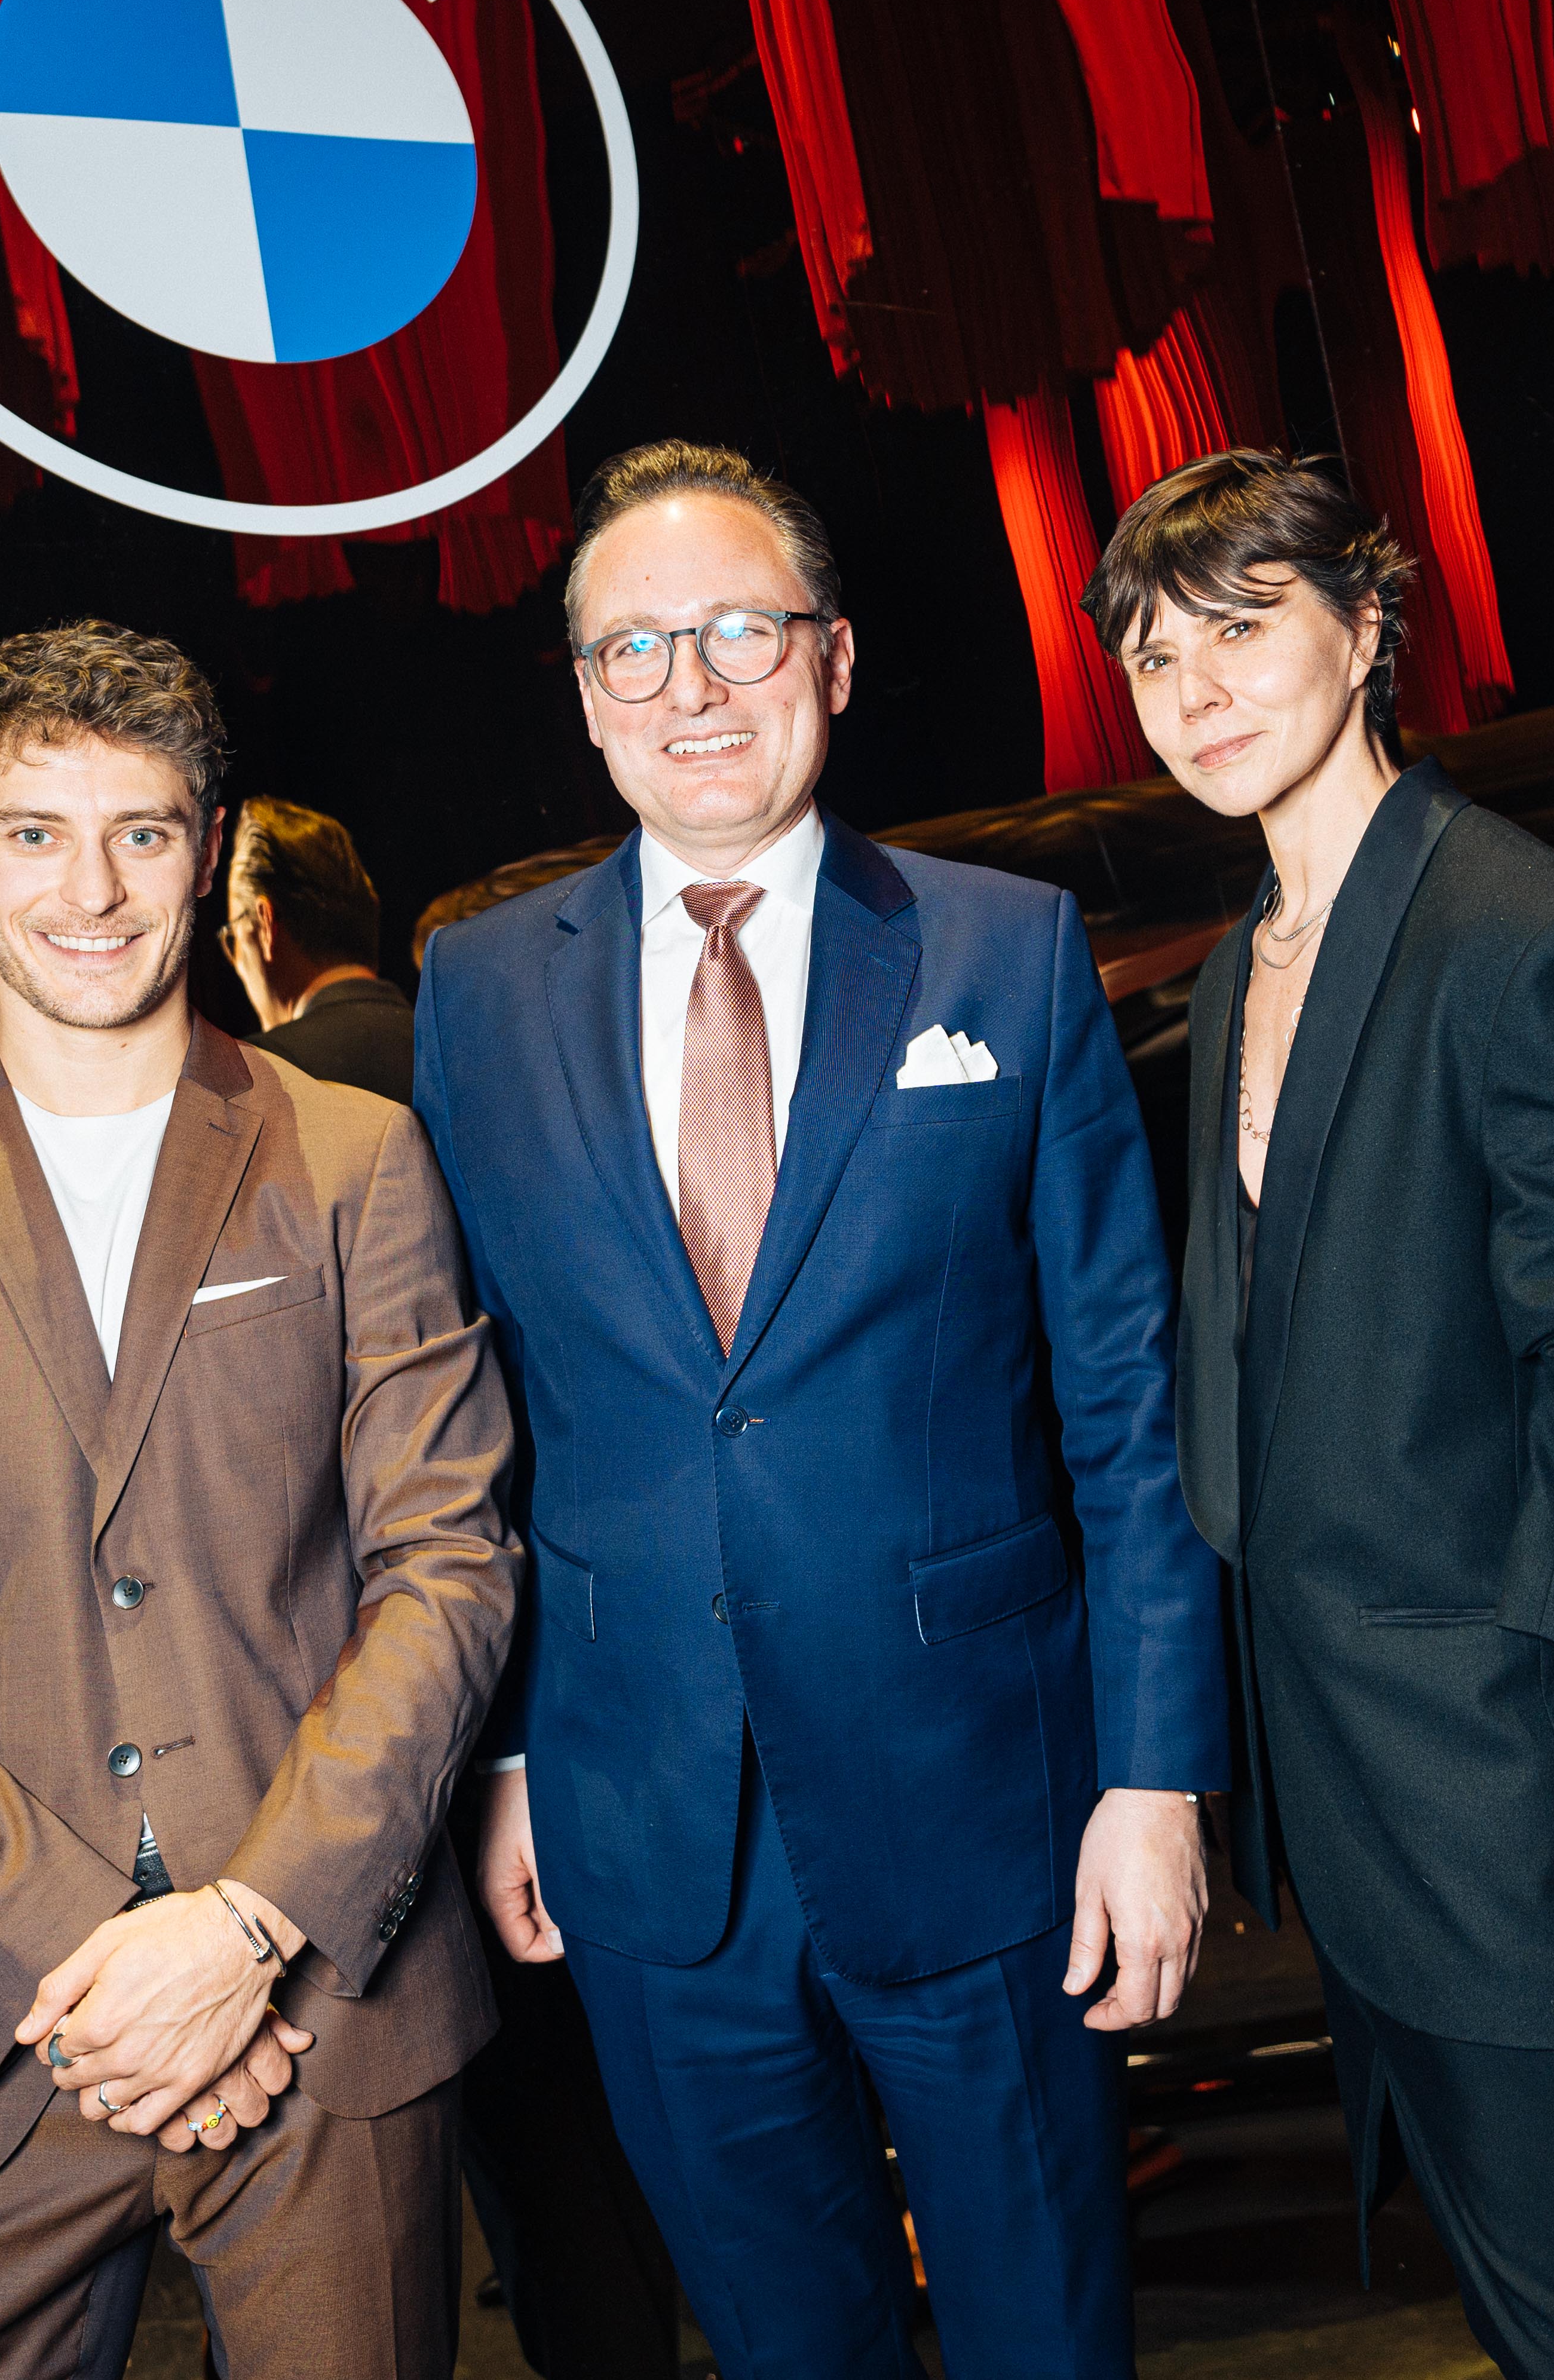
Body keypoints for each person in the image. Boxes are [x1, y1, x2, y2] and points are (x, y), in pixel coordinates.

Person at [413, 442, 1228, 2380]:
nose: (689, 685)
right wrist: (507, 1749)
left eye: (740, 629)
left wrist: (1157, 1778)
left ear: (835, 656)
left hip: (984, 1803)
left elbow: (1126, 1401)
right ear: (584, 694)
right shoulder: (479, 991)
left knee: (1046, 2332)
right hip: (642, 1824)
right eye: (634, 647)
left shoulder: (1004, 948)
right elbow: (474, 1411)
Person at [0, 620, 519, 2380]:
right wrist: (101, 1969)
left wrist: (244, 1928)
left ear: (209, 847)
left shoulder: (351, 1161)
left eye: (140, 833)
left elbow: (446, 1567)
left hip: (316, 2008)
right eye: (33, 833)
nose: (88, 890)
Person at [1090, 451, 1554, 2375]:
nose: (1195, 689)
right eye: (1152, 656)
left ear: (1369, 626)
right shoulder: (1242, 964)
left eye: (1240, 627)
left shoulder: (1528, 938)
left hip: (1521, 1806)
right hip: (1363, 1809)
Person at [208, 792, 680, 2380]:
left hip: (387, 1691)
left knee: (432, 2146)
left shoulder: (263, 1108)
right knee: (588, 2116)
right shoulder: (481, 1039)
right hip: (582, 1646)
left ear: (258, 928)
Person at [222, 798, 415, 1108]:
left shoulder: (260, 1074)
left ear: (267, 925)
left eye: (234, 936)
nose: (237, 964)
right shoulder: (452, 1042)